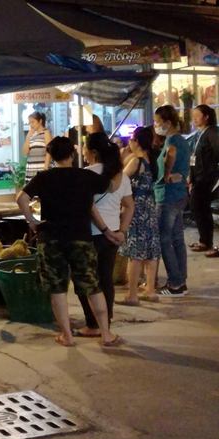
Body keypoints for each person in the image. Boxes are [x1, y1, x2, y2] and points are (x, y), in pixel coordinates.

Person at [17, 137, 121, 347]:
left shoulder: (43, 177)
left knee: (57, 289)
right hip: (81, 238)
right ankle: (106, 334)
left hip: (51, 239)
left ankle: (67, 335)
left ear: (51, 156)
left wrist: (32, 222)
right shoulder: (86, 176)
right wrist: (117, 162)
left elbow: (21, 198)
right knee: (92, 286)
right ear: (72, 154)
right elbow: (112, 187)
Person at [76, 133, 134, 337]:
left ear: (92, 152)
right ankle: (105, 324)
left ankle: (92, 325)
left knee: (86, 281)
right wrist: (121, 231)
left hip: (90, 234)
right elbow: (129, 206)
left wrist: (106, 231)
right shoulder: (120, 175)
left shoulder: (85, 174)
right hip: (113, 237)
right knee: (105, 279)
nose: (81, 151)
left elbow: (89, 207)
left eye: (83, 147)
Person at [119, 126, 162, 305]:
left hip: (136, 209)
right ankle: (150, 290)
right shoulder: (151, 159)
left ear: (136, 141)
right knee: (151, 250)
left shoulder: (136, 161)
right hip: (149, 207)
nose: (129, 141)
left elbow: (120, 180)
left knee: (134, 252)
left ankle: (132, 294)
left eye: (131, 139)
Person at [154, 105, 191, 297]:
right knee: (177, 238)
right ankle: (180, 280)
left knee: (164, 239)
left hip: (167, 195)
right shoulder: (183, 140)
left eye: (158, 122)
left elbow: (171, 153)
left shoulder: (172, 140)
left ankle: (175, 283)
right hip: (179, 195)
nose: (156, 126)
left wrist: (167, 173)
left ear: (167, 123)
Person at [187, 105, 219, 256]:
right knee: (200, 208)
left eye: (197, 115)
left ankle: (207, 241)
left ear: (206, 117)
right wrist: (191, 177)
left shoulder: (212, 132)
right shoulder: (200, 134)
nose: (194, 118)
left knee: (199, 207)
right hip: (199, 178)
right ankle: (205, 241)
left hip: (208, 179)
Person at [23, 112, 53, 182]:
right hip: (31, 169)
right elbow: (25, 153)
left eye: (33, 122)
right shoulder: (31, 135)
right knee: (31, 191)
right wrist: (28, 137)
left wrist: (45, 168)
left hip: (42, 168)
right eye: (29, 123)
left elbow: (49, 151)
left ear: (40, 121)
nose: (31, 125)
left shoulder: (46, 132)